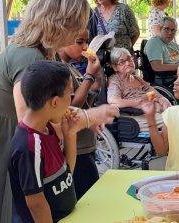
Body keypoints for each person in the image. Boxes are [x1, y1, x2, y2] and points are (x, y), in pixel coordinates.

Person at [0, 0, 90, 222]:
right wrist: (89, 117)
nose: (81, 30)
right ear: (63, 23)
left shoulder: (43, 52)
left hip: (5, 133)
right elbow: (30, 124)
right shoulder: (29, 57)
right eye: (78, 23)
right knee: (0, 207)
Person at [8, 61, 118, 223]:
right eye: (69, 94)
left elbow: (66, 174)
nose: (71, 100)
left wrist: (70, 134)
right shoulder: (31, 145)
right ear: (54, 102)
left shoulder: (47, 129)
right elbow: (36, 204)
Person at [57, 30, 103, 200]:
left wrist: (95, 74)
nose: (85, 47)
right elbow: (72, 106)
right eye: (79, 42)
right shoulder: (61, 69)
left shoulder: (71, 67)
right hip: (77, 146)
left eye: (86, 42)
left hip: (85, 143)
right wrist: (89, 75)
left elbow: (89, 93)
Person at [108, 47, 171, 113]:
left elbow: (151, 91)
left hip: (154, 108)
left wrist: (161, 99)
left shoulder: (136, 78)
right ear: (115, 67)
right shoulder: (115, 80)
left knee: (170, 109)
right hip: (137, 113)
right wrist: (138, 102)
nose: (128, 63)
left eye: (129, 59)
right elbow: (114, 101)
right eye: (122, 62)